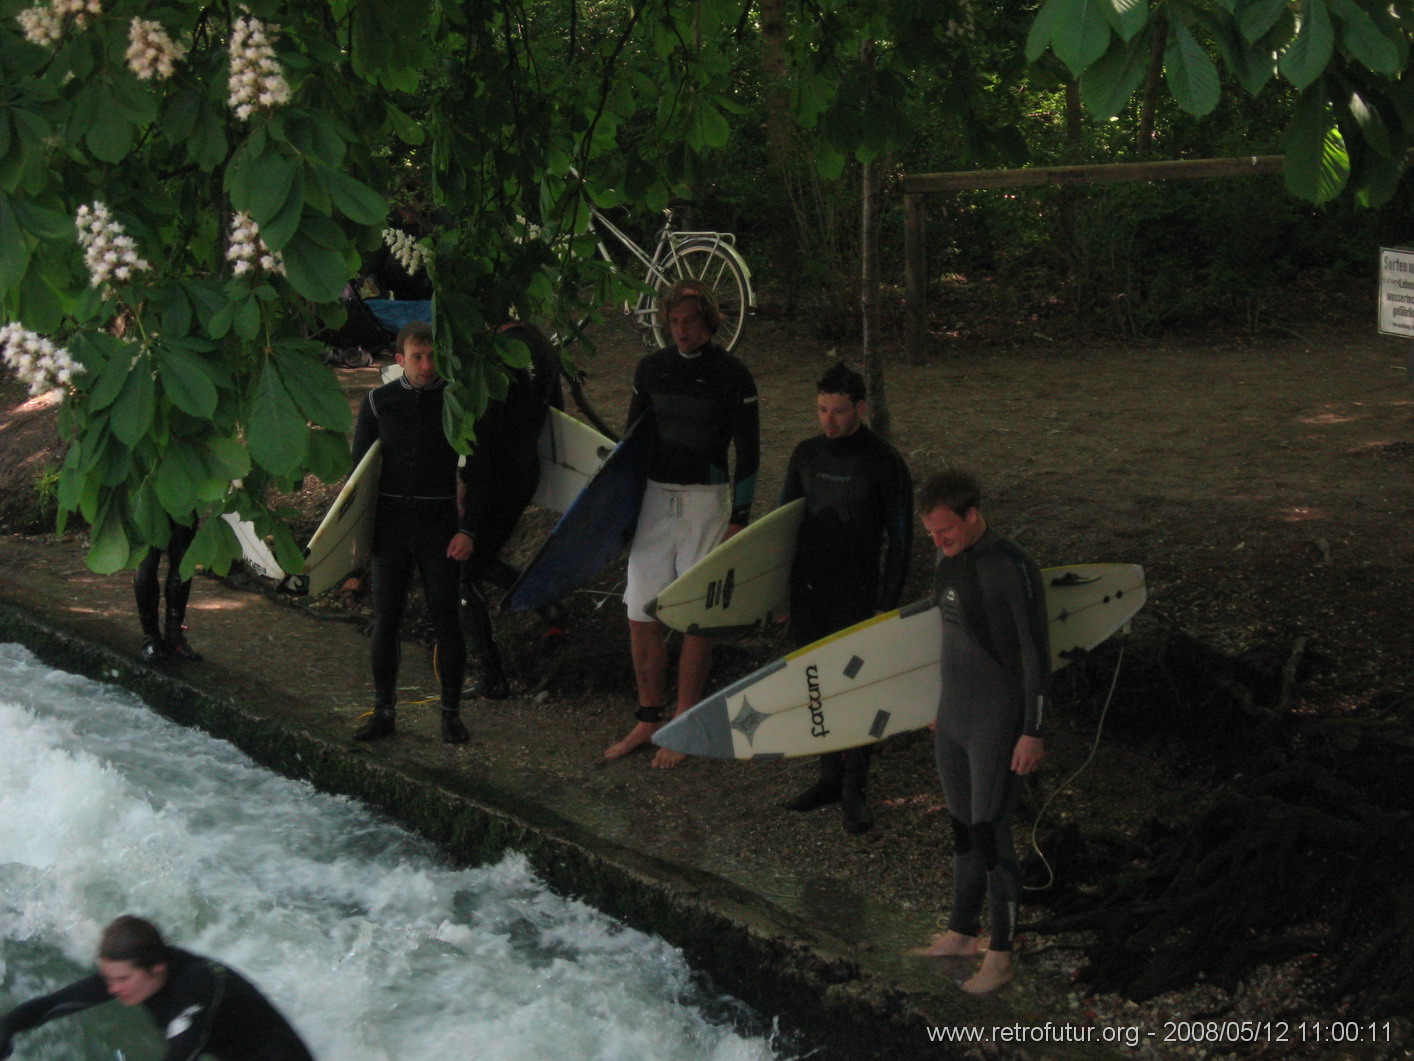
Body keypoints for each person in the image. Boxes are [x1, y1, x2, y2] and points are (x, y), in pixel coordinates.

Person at [605, 280, 760, 768]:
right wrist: (623, 510)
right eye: (673, 322)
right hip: (654, 497)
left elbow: (750, 452)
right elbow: (632, 442)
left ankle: (685, 720)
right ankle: (649, 717)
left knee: (697, 615)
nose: (681, 330)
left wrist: (740, 516)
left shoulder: (733, 375)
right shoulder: (651, 369)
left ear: (709, 322)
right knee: (639, 610)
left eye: (690, 321)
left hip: (706, 501)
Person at [907, 468, 1049, 995]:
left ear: (972, 515)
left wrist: (1032, 730)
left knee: (991, 835)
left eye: (946, 532)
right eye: (931, 536)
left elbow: (1036, 655)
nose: (939, 543)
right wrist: (939, 705)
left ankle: (1001, 956)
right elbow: (948, 636)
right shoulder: (946, 562)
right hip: (955, 716)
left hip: (997, 720)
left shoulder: (1012, 567)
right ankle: (961, 934)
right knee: (963, 829)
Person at [779, 362, 912, 834]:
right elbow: (781, 528)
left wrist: (886, 604)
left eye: (838, 411)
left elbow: (900, 540)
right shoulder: (805, 455)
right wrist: (777, 594)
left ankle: (856, 785)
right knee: (814, 681)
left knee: (857, 686)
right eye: (821, 410)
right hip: (809, 586)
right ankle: (828, 776)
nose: (828, 421)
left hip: (856, 590)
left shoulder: (885, 462)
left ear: (861, 408)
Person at [351, 321, 473, 745]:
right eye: (416, 357)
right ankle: (384, 710)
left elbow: (479, 467)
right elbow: (358, 479)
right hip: (390, 526)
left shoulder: (456, 400)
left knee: (447, 620)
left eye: (432, 356)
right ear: (399, 360)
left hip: (440, 525)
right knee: (386, 619)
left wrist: (469, 528)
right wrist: (353, 547)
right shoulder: (379, 403)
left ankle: (451, 714)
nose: (426, 365)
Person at [0, 915, 314, 1061]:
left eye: (122, 979)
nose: (113, 988)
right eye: (109, 978)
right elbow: (53, 1004)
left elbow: (180, 1053)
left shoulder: (196, 985)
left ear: (156, 968)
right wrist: (8, 1027)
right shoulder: (136, 973)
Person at [456, 320, 564, 699]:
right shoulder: (541, 343)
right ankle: (546, 604)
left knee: (463, 571)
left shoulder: (499, 352)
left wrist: (466, 478)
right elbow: (559, 413)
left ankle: (493, 677)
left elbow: (487, 425)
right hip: (525, 470)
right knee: (480, 560)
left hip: (495, 474)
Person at [135, 517, 203, 664]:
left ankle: (174, 635)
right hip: (148, 498)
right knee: (147, 558)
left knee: (183, 556)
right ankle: (151, 637)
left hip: (185, 496)